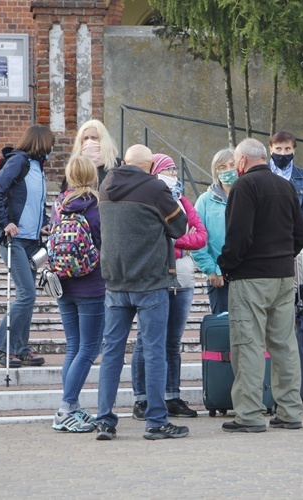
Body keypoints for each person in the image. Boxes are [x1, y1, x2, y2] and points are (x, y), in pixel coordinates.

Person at [94, 144, 190, 441]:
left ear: (124, 162)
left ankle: (105, 421)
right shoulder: (154, 188)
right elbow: (180, 227)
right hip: (150, 281)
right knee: (154, 351)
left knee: (111, 352)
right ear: (150, 166)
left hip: (115, 282)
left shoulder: (107, 184)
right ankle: (156, 422)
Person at [218, 138, 303, 433]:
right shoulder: (285, 186)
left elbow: (238, 236)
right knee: (284, 345)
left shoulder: (244, 187)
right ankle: (290, 411)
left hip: (250, 278)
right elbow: (300, 234)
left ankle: (249, 415)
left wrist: (227, 265)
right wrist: (283, 258)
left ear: (242, 161)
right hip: (283, 277)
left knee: (248, 345)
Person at [131, 153, 208, 420]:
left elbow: (201, 237)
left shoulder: (183, 202)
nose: (174, 173)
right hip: (157, 278)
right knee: (146, 340)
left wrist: (175, 242)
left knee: (173, 342)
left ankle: (172, 395)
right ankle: (141, 399)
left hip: (183, 279)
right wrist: (176, 240)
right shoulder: (148, 199)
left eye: (175, 169)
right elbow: (153, 236)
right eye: (168, 169)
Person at [0, 124, 54, 368]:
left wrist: (44, 223)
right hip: (13, 239)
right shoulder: (18, 162)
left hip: (31, 241)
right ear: (41, 143)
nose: (52, 150)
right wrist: (5, 223)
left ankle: (21, 349)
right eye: (50, 145)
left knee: (28, 296)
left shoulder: (37, 168)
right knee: (27, 294)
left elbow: (34, 203)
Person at [50, 155, 106, 433]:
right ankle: (64, 408)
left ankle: (71, 407)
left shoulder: (59, 205)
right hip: (92, 284)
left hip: (62, 284)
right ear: (93, 176)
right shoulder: (97, 206)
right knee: (89, 348)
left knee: (74, 346)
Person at [268, 131, 303, 291]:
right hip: (266, 237)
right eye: (278, 149)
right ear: (270, 149)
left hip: (292, 238)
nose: (283, 153)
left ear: (294, 150)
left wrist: (297, 229)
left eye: (287, 149)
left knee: (294, 285)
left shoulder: (302, 176)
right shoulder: (262, 173)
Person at [192, 148, 236, 314]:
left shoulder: (250, 195)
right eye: (222, 167)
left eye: (232, 165)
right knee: (223, 329)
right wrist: (211, 269)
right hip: (219, 277)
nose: (228, 170)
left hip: (248, 275)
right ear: (216, 171)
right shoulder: (205, 200)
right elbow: (197, 239)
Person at [70, 119, 120, 186]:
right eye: (86, 138)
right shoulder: (74, 167)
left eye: (94, 138)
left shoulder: (117, 165)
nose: (89, 142)